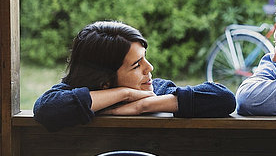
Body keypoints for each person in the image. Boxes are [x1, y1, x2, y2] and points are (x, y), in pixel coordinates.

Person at [34, 20, 236, 132]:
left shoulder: (153, 91)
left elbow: (223, 98)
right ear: (104, 80)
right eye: (136, 65)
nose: (150, 68)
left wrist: (143, 105)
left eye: (145, 59)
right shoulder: (68, 96)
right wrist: (124, 94)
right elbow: (47, 109)